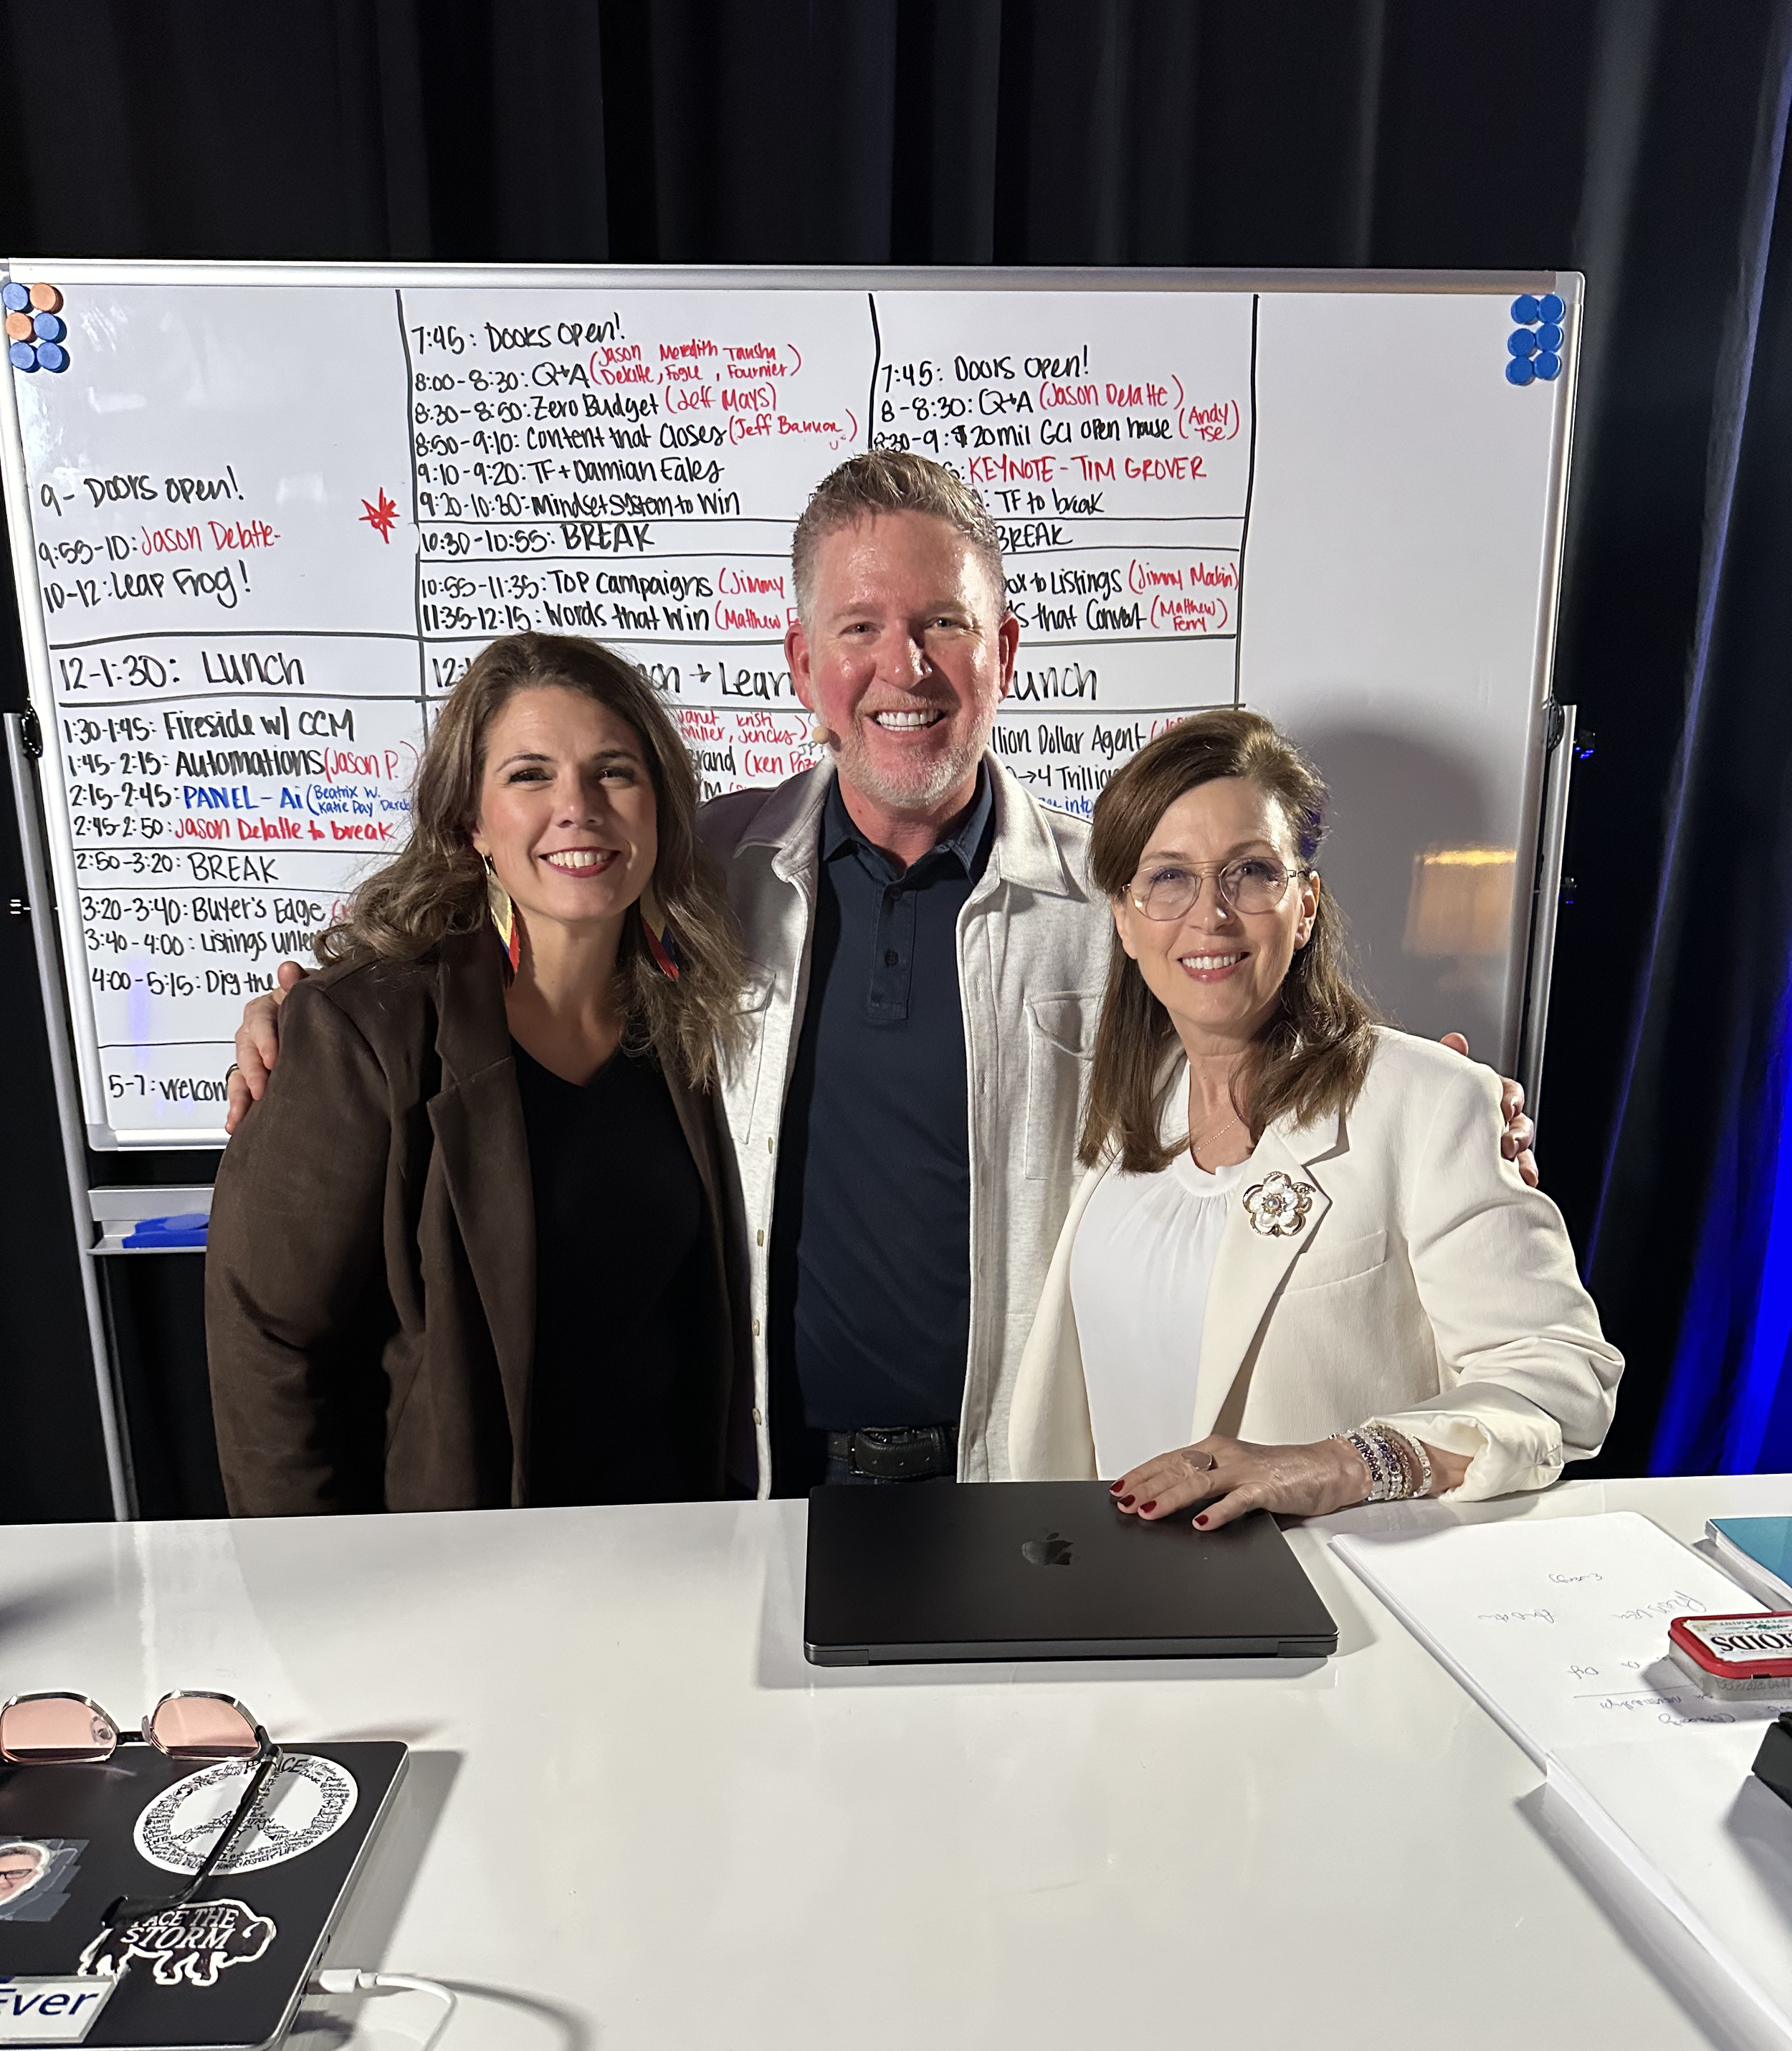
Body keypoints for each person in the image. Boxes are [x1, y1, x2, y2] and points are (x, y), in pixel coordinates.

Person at [225, 455, 1537, 1497]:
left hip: (1016, 1479)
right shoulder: (700, 876)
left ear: (1004, 652)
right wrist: (305, 1015)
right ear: (804, 666)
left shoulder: (1116, 896)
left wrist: (1425, 1112)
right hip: (743, 1483)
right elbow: (505, 903)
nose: (903, 669)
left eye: (943, 626)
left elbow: (1256, 1021)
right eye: (859, 626)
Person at [1007, 710, 1621, 1521]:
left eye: (1250, 872)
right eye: (1168, 877)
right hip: (1119, 1606)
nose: (1210, 915)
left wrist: (1346, 1461)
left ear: (1304, 908)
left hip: (1338, 1611)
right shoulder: (1114, 1107)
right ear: (1123, 919)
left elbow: (1560, 1369)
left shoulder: (1429, 1101)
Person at [205, 634, 745, 1514]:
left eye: (614, 772)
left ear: (659, 809)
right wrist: (313, 1599)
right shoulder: (366, 1032)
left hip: (676, 1560)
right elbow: (270, 1342)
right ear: (472, 823)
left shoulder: (695, 1015)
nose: (577, 809)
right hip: (449, 1579)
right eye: (529, 775)